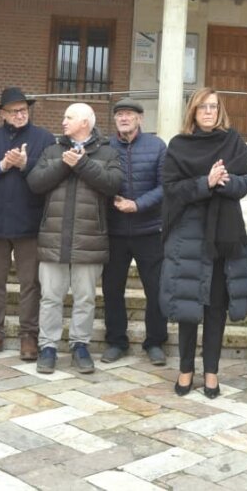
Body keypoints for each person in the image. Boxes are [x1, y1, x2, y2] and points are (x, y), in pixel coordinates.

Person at [160, 89, 247, 398]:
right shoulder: (178, 145)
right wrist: (206, 183)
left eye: (213, 106)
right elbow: (172, 188)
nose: (209, 111)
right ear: (193, 111)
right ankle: (186, 369)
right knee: (189, 307)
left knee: (216, 308)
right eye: (203, 106)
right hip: (188, 235)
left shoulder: (232, 141)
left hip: (223, 236)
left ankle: (211, 372)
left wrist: (226, 182)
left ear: (220, 111)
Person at [27, 103, 124, 374]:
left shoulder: (107, 152)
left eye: (69, 117)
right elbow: (35, 183)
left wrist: (82, 164)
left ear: (85, 122)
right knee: (50, 297)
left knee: (85, 298)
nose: (63, 122)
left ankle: (80, 345)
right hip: (53, 238)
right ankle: (48, 347)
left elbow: (113, 184)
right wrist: (65, 164)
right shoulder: (52, 150)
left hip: (90, 239)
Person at [0, 87, 54, 361]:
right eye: (14, 111)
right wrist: (2, 166)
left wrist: (24, 163)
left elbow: (49, 173)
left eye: (24, 110)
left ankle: (28, 335)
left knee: (30, 283)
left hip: (30, 223)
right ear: (2, 114)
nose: (20, 115)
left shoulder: (43, 138)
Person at [102, 98, 169, 365]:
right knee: (112, 288)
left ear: (140, 119)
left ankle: (155, 342)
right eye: (119, 115)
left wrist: (138, 205)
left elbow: (165, 187)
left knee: (155, 289)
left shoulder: (157, 146)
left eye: (130, 114)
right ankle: (116, 341)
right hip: (114, 231)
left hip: (149, 230)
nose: (124, 118)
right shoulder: (105, 147)